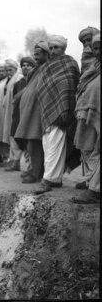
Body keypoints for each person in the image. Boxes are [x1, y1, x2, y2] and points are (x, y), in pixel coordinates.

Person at [34, 35, 80, 194]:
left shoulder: (70, 63)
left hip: (63, 111)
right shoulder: (46, 67)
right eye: (51, 48)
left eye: (56, 48)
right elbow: (41, 89)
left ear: (63, 48)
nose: (53, 51)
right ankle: (57, 179)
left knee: (55, 145)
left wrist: (65, 109)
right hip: (47, 110)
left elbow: (70, 88)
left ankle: (47, 180)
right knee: (49, 146)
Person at [15, 42, 49, 183]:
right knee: (31, 143)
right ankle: (33, 170)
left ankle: (36, 173)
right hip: (30, 114)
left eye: (38, 53)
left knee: (35, 144)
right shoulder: (37, 70)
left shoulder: (47, 68)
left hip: (38, 113)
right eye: (34, 53)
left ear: (47, 53)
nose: (35, 56)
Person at [72, 34, 100, 204]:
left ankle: (94, 191)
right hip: (88, 115)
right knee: (88, 150)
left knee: (98, 152)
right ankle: (92, 183)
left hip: (96, 115)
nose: (98, 51)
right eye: (95, 48)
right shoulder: (95, 67)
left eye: (100, 48)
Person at [5, 57, 35, 172]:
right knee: (15, 139)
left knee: (29, 143)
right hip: (18, 115)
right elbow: (14, 100)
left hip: (30, 116)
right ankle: (15, 162)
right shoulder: (18, 83)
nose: (25, 67)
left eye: (28, 65)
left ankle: (31, 168)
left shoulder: (35, 81)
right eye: (23, 65)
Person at [0, 59, 23, 167]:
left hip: (14, 112)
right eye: (7, 70)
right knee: (8, 135)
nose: (8, 72)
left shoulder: (19, 79)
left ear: (15, 69)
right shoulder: (4, 82)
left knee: (14, 136)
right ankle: (10, 159)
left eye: (10, 69)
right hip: (4, 113)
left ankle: (15, 161)